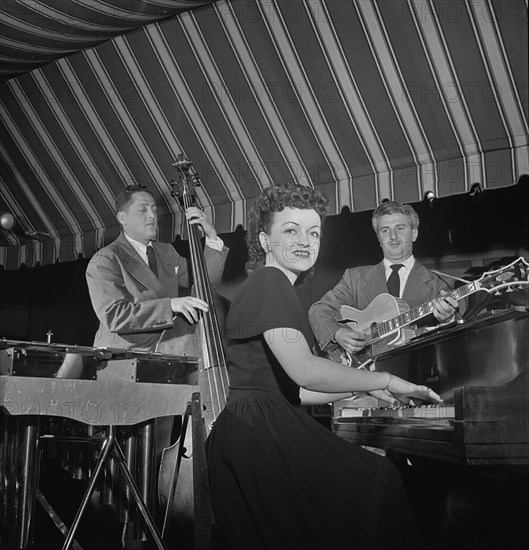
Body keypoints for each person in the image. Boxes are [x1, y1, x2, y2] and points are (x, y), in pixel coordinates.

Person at [206, 182, 441, 550]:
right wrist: (387, 379)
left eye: (313, 232)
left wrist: (364, 386)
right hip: (260, 433)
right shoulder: (269, 282)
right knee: (379, 480)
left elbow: (297, 391)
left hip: (254, 427)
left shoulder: (272, 285)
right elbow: (305, 371)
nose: (305, 240)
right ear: (265, 239)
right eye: (290, 230)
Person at [309, 200, 459, 362]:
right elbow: (318, 310)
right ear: (379, 238)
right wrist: (337, 333)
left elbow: (456, 340)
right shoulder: (354, 278)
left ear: (414, 233)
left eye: (400, 228)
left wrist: (447, 319)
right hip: (363, 375)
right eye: (385, 230)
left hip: (417, 370)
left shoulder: (439, 283)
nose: (393, 236)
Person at [85, 184, 228, 354]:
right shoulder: (105, 259)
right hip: (125, 358)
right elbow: (115, 316)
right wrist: (169, 306)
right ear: (122, 218)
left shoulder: (167, 252)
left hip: (168, 352)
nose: (152, 215)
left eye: (154, 209)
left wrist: (211, 237)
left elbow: (206, 283)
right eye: (143, 210)